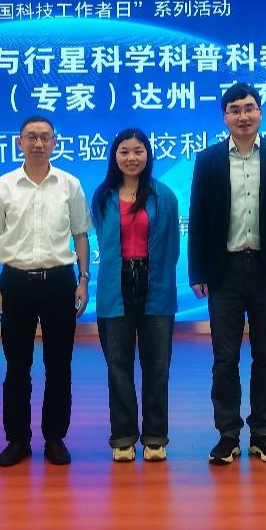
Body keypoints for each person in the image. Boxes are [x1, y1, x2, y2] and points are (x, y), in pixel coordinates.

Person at [188, 83, 266, 466]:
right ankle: (228, 434)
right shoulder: (207, 160)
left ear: (260, 113)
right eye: (235, 110)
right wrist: (197, 271)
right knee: (224, 358)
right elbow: (198, 219)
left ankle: (262, 434)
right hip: (224, 271)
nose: (243, 116)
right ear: (225, 117)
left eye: (249, 108)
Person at [0, 115, 91, 468]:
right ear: (19, 142)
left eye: (45, 137)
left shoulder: (70, 184)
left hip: (60, 281)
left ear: (55, 142)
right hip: (15, 282)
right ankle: (17, 439)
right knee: (17, 365)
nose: (38, 143)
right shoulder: (3, 185)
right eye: (31, 137)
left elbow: (81, 235)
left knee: (59, 364)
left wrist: (83, 279)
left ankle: (55, 437)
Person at [91, 128, 180, 463]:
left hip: (155, 285)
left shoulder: (164, 196)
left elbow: (172, 247)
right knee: (118, 366)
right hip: (114, 286)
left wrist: (158, 277)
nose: (131, 158)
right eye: (124, 151)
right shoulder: (103, 196)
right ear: (115, 156)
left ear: (148, 155)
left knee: (157, 366)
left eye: (138, 151)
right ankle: (123, 438)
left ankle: (155, 437)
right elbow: (104, 242)